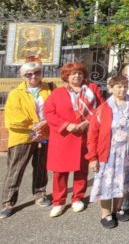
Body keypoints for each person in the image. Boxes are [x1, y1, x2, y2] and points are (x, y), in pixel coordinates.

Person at [44, 62, 103, 218]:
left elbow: (101, 107)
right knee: (60, 172)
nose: (77, 76)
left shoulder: (92, 89)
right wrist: (66, 125)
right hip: (64, 136)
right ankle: (58, 201)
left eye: (79, 73)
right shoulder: (57, 93)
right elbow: (49, 113)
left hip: (85, 134)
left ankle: (77, 197)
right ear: (66, 76)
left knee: (81, 168)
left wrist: (88, 121)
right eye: (73, 74)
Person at [0, 59, 54, 219]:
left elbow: (54, 109)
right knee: (16, 168)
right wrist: (34, 126)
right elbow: (13, 117)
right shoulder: (16, 93)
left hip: (44, 134)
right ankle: (7, 202)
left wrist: (44, 124)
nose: (33, 77)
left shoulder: (49, 89)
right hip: (23, 136)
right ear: (23, 76)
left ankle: (40, 194)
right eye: (29, 74)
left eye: (37, 73)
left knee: (41, 166)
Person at [86, 75, 129, 228]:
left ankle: (118, 209)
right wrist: (93, 157)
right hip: (109, 153)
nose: (122, 89)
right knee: (107, 183)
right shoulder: (103, 108)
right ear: (111, 88)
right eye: (118, 86)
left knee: (124, 181)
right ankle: (105, 213)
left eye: (125, 86)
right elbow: (92, 135)